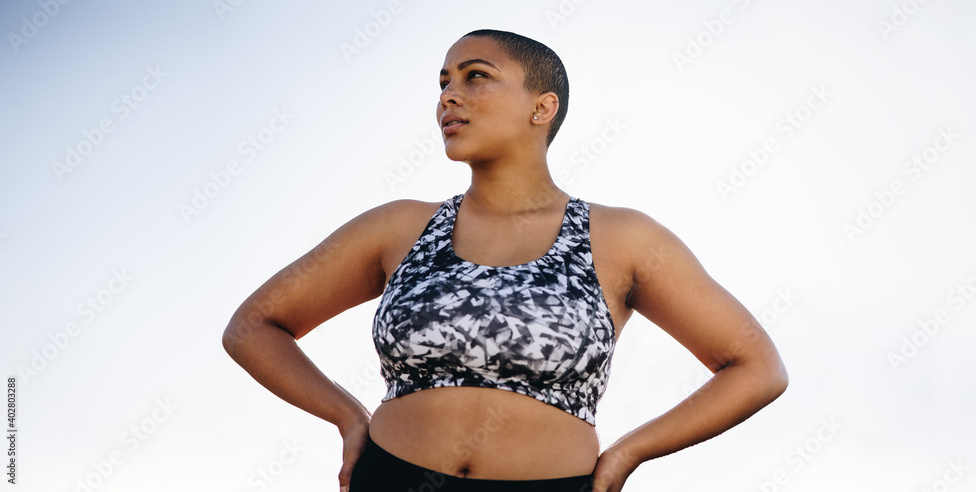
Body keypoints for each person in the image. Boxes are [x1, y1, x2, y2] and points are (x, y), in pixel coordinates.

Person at [222, 29, 788, 492]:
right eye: (443, 82)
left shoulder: (623, 238)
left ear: (543, 107)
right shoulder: (397, 227)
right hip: (391, 480)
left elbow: (755, 367)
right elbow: (253, 326)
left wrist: (627, 454)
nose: (448, 96)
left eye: (476, 77)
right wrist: (347, 416)